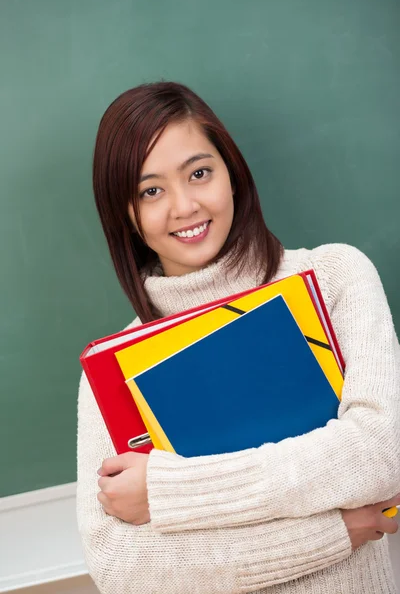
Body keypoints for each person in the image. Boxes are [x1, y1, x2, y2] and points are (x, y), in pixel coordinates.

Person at [77, 81, 400, 594]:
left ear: (232, 175)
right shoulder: (113, 367)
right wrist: (336, 530)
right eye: (151, 190)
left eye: (199, 173)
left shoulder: (337, 276)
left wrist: (166, 491)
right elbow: (122, 565)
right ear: (127, 214)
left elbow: (381, 455)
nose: (184, 206)